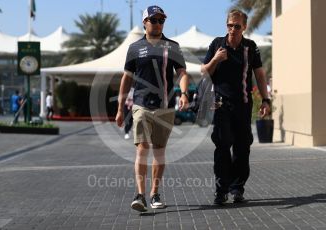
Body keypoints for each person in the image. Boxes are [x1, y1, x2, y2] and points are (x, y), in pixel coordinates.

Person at [116, 5, 189, 212]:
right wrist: (121, 109)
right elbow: (126, 79)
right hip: (141, 106)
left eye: (161, 20)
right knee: (142, 148)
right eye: (153, 20)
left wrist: (184, 94)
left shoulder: (172, 46)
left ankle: (155, 193)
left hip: (165, 107)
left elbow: (182, 73)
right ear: (145, 23)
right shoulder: (134, 48)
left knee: (159, 152)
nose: (158, 24)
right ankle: (140, 195)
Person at [201, 9, 271, 205]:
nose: (232, 29)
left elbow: (259, 74)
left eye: (237, 26)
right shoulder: (217, 44)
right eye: (229, 25)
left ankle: (237, 189)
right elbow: (204, 71)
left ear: (244, 27)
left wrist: (266, 100)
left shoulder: (250, 47)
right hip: (221, 105)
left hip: (243, 104)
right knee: (222, 148)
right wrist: (216, 59)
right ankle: (221, 190)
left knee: (242, 148)